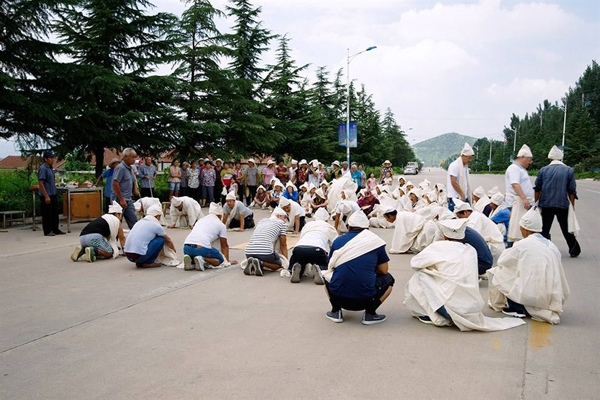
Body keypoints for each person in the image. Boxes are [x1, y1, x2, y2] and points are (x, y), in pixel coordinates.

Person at [404, 218, 525, 332]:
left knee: (420, 276)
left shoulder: (438, 246)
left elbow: (415, 263)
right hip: (471, 310)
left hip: (451, 310)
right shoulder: (471, 250)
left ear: (445, 235)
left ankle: (429, 314)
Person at [488, 208, 570, 324]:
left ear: (524, 229)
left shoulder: (522, 244)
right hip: (551, 294)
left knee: (499, 272)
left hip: (532, 294)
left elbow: (503, 260)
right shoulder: (551, 245)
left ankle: (517, 307)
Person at [322, 211, 394, 325]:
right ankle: (370, 313)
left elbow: (331, 264)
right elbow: (384, 270)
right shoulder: (375, 242)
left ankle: (336, 311)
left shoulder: (338, 241)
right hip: (366, 299)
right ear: (367, 229)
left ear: (348, 227)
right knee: (389, 279)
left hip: (339, 296)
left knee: (326, 275)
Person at [534, 145, 581, 257]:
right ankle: (574, 249)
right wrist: (572, 206)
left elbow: (537, 189)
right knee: (566, 228)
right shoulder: (568, 170)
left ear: (550, 159)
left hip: (546, 203)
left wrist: (535, 203)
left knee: (544, 228)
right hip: (562, 204)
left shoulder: (543, 170)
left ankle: (544, 249)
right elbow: (571, 191)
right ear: (561, 158)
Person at [287, 208, 337, 284]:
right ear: (327, 219)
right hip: (317, 250)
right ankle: (320, 269)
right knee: (325, 264)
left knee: (300, 260)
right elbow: (335, 244)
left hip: (299, 248)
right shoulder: (328, 226)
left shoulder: (308, 225)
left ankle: (296, 269)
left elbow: (301, 237)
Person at [183, 203, 238, 271]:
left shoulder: (200, 220)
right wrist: (227, 261)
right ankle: (202, 259)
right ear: (220, 215)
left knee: (195, 252)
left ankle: (191, 259)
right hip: (201, 249)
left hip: (186, 248)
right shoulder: (221, 225)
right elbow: (224, 245)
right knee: (220, 260)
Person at [244, 207, 289, 276]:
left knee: (260, 254)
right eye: (284, 217)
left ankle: (253, 263)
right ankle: (261, 263)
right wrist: (286, 261)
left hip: (248, 251)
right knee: (280, 265)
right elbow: (283, 245)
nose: (285, 220)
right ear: (278, 216)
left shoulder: (262, 221)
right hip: (265, 252)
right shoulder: (282, 223)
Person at [505, 144, 535, 242]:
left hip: (522, 202)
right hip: (516, 202)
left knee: (520, 225)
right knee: (515, 226)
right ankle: (512, 246)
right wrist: (524, 198)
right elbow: (515, 184)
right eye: (529, 160)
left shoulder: (521, 169)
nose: (530, 162)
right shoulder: (514, 168)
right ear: (522, 157)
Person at [37, 151, 64, 236]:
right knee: (47, 213)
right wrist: (46, 196)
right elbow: (41, 183)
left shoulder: (50, 168)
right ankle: (47, 231)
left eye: (53, 158)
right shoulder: (43, 168)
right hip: (46, 195)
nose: (53, 160)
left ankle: (55, 229)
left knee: (54, 213)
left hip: (53, 194)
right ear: (45, 159)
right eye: (51, 158)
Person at [111, 148, 139, 229]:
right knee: (116, 223)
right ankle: (114, 240)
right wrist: (121, 199)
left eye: (135, 157)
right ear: (126, 157)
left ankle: (136, 240)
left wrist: (136, 189)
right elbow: (115, 184)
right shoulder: (121, 168)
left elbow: (134, 180)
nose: (135, 160)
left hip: (128, 199)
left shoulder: (130, 168)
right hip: (119, 199)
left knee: (134, 222)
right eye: (133, 157)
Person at [446, 143, 474, 211]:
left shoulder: (465, 167)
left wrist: (470, 194)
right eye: (469, 158)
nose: (470, 160)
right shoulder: (454, 165)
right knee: (455, 220)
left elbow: (466, 183)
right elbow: (453, 182)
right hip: (455, 198)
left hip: (464, 197)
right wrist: (462, 194)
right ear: (463, 155)